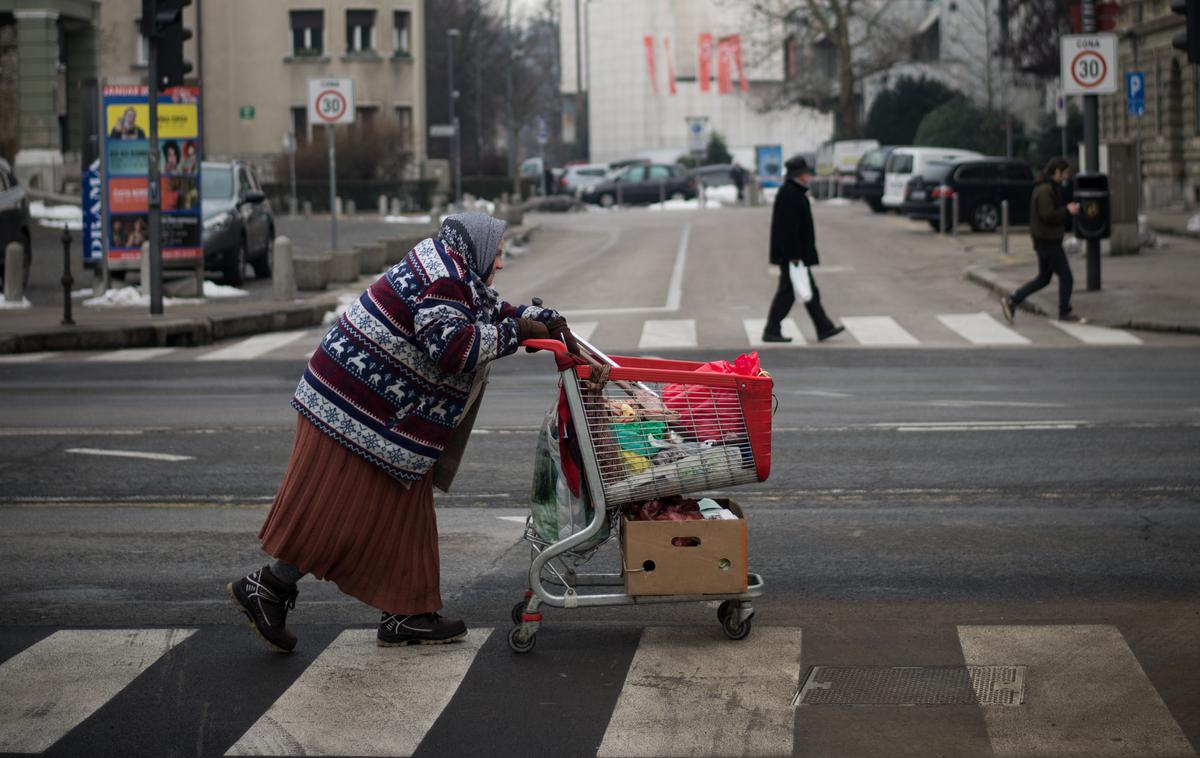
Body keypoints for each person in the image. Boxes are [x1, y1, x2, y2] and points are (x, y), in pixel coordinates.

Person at [227, 212, 575, 653]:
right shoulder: (444, 278)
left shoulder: (452, 268)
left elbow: (482, 309)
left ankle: (407, 614)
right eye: (500, 254)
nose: (501, 264)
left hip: (370, 411)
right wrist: (517, 331)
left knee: (398, 512)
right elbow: (452, 346)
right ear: (481, 249)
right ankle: (268, 587)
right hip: (351, 409)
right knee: (338, 518)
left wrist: (532, 317)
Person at [763, 156, 844, 343]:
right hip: (792, 255)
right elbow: (788, 229)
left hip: (796, 254)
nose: (809, 176)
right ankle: (772, 329)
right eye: (806, 173)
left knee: (808, 290)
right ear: (798, 175)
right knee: (787, 293)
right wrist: (794, 255)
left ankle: (823, 326)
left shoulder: (795, 192)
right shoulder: (789, 194)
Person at [1002, 157, 1083, 324]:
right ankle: (1064, 312)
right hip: (1048, 240)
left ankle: (1013, 300)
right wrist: (1067, 210)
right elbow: (1047, 215)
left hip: (1045, 239)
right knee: (1066, 276)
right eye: (1065, 173)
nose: (1067, 176)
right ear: (1056, 172)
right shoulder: (1046, 190)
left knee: (1043, 278)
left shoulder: (1049, 187)